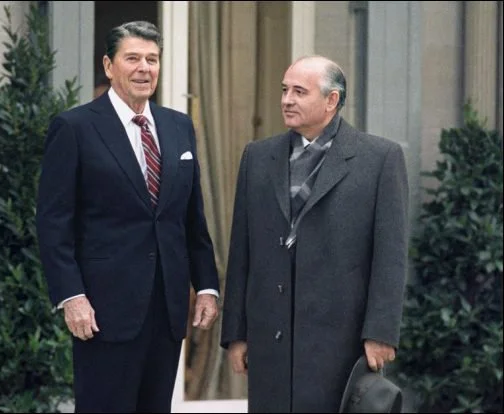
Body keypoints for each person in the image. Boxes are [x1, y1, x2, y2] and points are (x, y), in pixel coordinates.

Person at [36, 20, 220, 413]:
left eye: (152, 59)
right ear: (109, 65)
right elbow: (54, 223)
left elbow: (192, 218)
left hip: (167, 308)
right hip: (103, 310)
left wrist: (206, 285)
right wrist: (72, 296)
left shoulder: (178, 126)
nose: (144, 68)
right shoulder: (75, 127)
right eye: (133, 58)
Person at [220, 55, 409, 412]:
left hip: (342, 344)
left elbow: (391, 256)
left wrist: (381, 332)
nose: (286, 100)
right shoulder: (257, 157)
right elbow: (241, 251)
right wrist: (236, 333)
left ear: (331, 100)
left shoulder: (379, 158)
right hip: (271, 342)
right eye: (284, 90)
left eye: (299, 92)